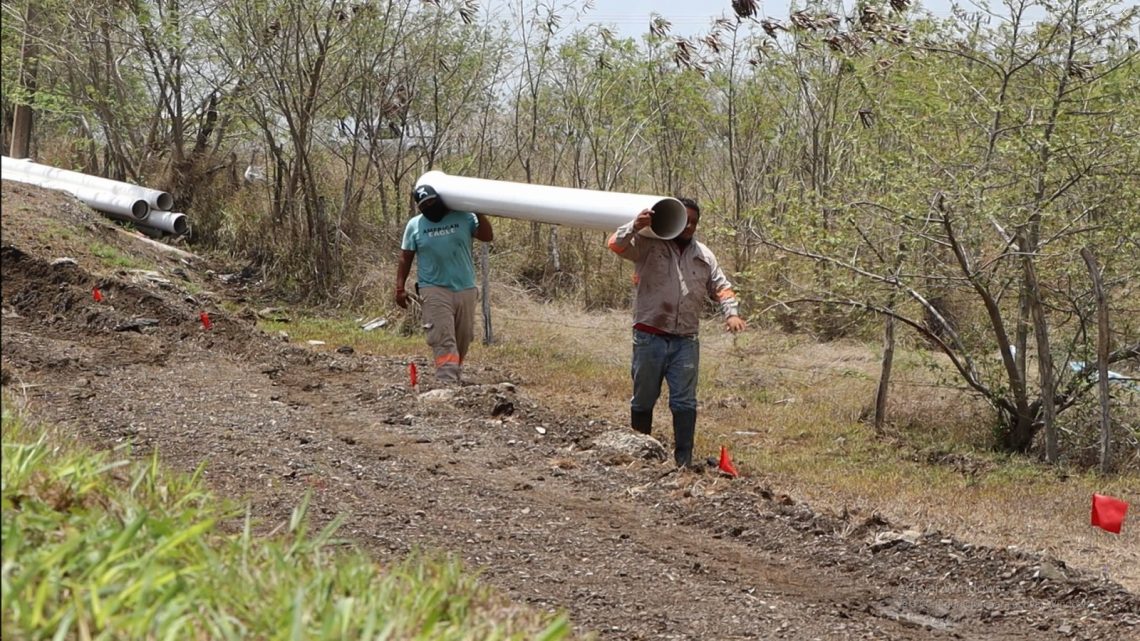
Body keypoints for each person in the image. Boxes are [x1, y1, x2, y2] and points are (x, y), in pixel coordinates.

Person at [607, 198, 746, 467]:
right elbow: (615, 244)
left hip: (686, 339)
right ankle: (641, 454)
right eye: (685, 220)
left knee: (684, 401)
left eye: (694, 222)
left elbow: (721, 287)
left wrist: (732, 313)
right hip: (650, 334)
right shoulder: (648, 244)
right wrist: (634, 226)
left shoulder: (704, 255)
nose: (689, 226)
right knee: (644, 397)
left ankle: (683, 461)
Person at [395, 184, 493, 383]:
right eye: (424, 205)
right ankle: (446, 382)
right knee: (442, 337)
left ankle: (454, 376)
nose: (430, 207)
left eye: (432, 202)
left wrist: (479, 212)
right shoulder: (415, 225)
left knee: (463, 339)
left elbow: (487, 236)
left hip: (465, 288)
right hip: (433, 289)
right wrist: (399, 288)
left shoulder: (464, 217)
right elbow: (405, 257)